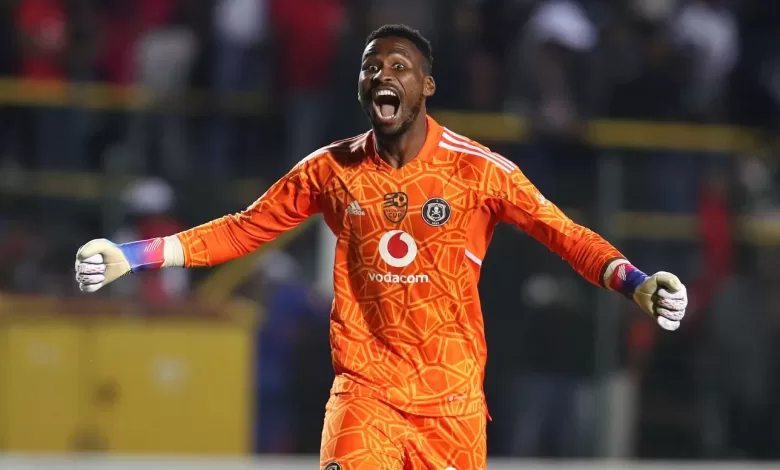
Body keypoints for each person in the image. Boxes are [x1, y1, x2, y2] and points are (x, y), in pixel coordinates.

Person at [74, 24, 688, 470]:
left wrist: (634, 281)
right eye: (372, 67)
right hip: (365, 393)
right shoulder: (332, 170)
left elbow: (563, 232)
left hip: (450, 404)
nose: (382, 76)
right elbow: (244, 227)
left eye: (398, 67)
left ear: (426, 85)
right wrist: (134, 255)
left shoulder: (479, 173)